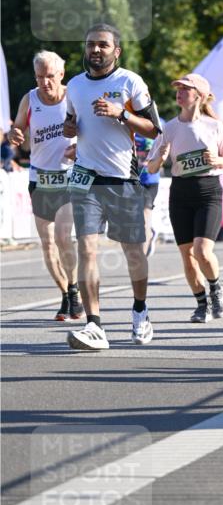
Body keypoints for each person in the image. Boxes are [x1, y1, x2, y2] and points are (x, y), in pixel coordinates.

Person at [63, 25, 161, 350]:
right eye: (91, 44)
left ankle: (140, 310)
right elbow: (71, 125)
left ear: (116, 51)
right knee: (86, 249)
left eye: (103, 45)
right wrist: (69, 129)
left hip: (122, 179)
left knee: (132, 251)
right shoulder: (74, 86)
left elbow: (153, 128)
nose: (96, 50)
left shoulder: (129, 82)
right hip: (85, 179)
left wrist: (122, 115)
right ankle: (95, 325)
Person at [146, 73, 223, 322]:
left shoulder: (214, 126)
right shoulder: (169, 129)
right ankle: (201, 304)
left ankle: (216, 289)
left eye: (186, 89)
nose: (179, 92)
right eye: (178, 88)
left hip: (208, 191)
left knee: (202, 251)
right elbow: (151, 168)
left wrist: (217, 160)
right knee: (187, 255)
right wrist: (160, 158)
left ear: (199, 96)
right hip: (180, 193)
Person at [8, 50, 83, 321]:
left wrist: (79, 147)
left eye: (50, 76)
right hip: (40, 180)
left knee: (63, 238)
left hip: (68, 179)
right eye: (40, 76)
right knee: (48, 244)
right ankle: (66, 294)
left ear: (61, 75)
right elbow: (16, 130)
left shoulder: (74, 98)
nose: (45, 82)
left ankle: (74, 289)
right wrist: (14, 134)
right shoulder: (30, 99)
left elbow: (91, 131)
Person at [135, 129, 161, 257]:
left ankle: (142, 258)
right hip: (130, 180)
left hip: (149, 180)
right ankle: (149, 232)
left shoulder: (159, 123)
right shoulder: (125, 123)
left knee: (145, 216)